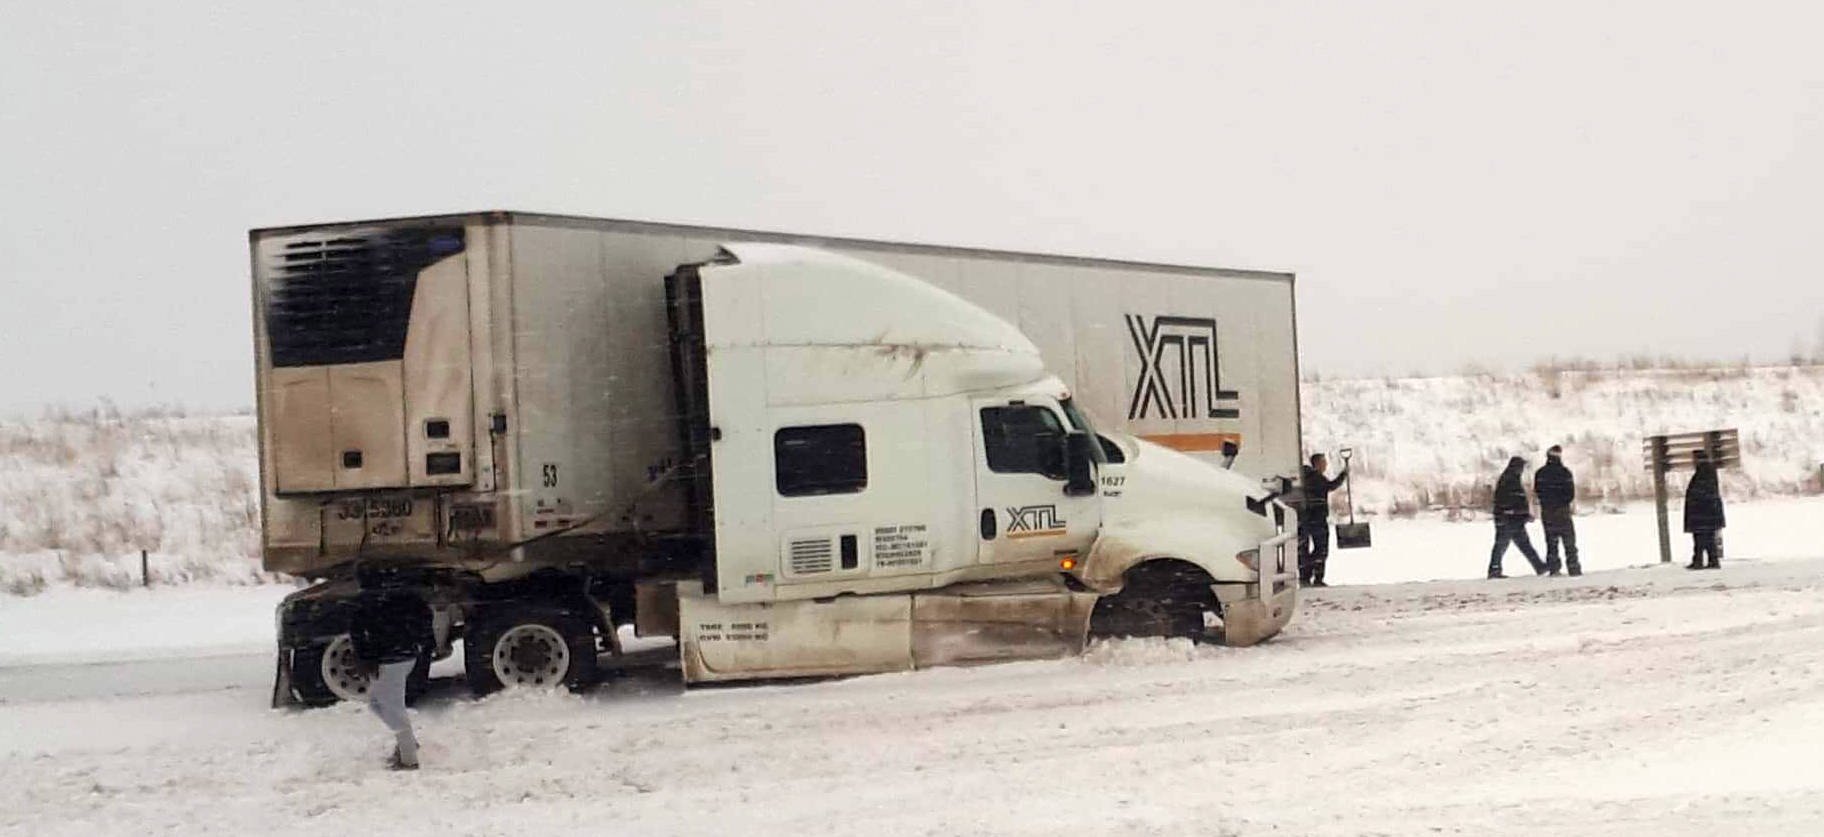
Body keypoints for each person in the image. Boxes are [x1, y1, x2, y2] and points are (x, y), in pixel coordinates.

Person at [351, 563, 433, 771]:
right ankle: (409, 744)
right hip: (406, 655)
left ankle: (409, 759)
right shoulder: (405, 595)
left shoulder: (364, 602)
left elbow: (359, 635)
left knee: (392, 709)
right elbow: (426, 615)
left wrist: (366, 659)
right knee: (375, 702)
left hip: (389, 660)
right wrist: (419, 642)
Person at [1488, 456, 1546, 579]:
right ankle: (1494, 569)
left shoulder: (1510, 479)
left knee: (1523, 544)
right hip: (1508, 519)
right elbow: (1510, 501)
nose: (1522, 470)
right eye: (1521, 467)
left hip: (1512, 518)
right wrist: (1521, 513)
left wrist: (1523, 514)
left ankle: (1539, 566)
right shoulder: (1509, 480)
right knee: (1503, 544)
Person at [1297, 452, 1349, 587]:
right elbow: (1330, 486)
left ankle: (1305, 575)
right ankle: (1317, 576)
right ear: (1318, 463)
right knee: (1321, 548)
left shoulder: (1304, 477)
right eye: (1324, 462)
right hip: (1317, 518)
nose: (1325, 465)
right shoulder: (1316, 478)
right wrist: (1343, 475)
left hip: (1303, 518)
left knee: (1303, 548)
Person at [1533, 445, 1581, 577]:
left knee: (1551, 541)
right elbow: (1570, 493)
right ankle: (1573, 567)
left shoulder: (1540, 473)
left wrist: (1547, 502)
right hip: (1562, 510)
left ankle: (1554, 568)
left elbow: (1538, 491)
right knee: (1569, 541)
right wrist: (1563, 502)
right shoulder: (1565, 472)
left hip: (1547, 511)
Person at [1684, 450, 1726, 570]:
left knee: (1701, 537)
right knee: (1706, 537)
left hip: (1703, 513)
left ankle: (1700, 560)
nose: (1692, 462)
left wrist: (1694, 503)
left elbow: (1702, 493)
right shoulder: (1707, 471)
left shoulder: (1704, 472)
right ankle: (1710, 560)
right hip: (1706, 512)